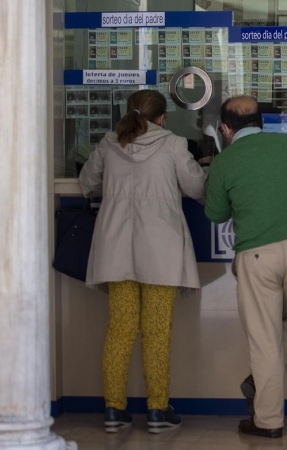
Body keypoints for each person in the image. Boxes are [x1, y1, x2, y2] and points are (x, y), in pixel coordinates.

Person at [78, 90, 207, 434]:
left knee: (120, 330)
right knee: (156, 332)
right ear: (162, 117)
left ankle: (113, 410)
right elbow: (196, 187)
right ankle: (157, 410)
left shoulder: (109, 144)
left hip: (116, 248)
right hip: (160, 250)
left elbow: (86, 182)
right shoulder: (173, 144)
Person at [205, 96, 287, 439]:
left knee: (265, 342)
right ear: (261, 122)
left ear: (225, 129)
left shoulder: (226, 161)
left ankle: (267, 420)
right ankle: (262, 380)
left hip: (257, 256)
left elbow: (215, 214)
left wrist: (215, 171)